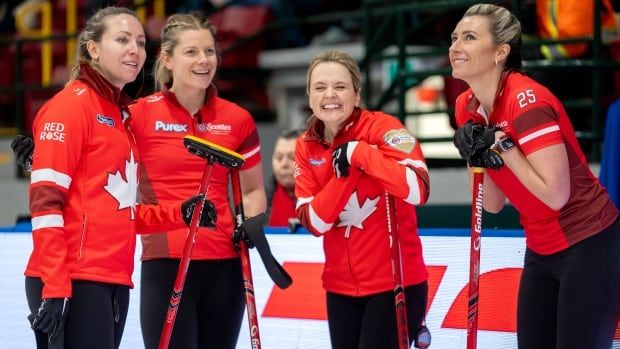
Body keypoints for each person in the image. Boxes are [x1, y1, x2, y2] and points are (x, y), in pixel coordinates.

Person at [22, 7, 216, 349]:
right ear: (93, 48)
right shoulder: (70, 106)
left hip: (110, 279)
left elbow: (118, 212)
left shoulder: (120, 115)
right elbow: (46, 203)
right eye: (122, 39)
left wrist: (178, 213)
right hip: (71, 278)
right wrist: (55, 287)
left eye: (140, 42)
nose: (135, 50)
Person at [450, 4, 620, 349]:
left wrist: (501, 144)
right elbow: (492, 204)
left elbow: (555, 195)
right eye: (454, 38)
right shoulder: (466, 106)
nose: (455, 46)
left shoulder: (527, 102)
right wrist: (474, 154)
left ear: (501, 52)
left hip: (588, 243)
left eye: (469, 37)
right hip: (541, 249)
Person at [129, 13, 266, 349]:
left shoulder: (238, 119)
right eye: (191, 52)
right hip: (166, 263)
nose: (204, 60)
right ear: (168, 59)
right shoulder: (138, 115)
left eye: (210, 51)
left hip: (225, 264)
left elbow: (252, 189)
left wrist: (249, 219)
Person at [294, 50, 431, 349]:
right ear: (309, 95)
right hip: (339, 288)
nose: (330, 94)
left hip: (396, 284)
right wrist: (347, 173)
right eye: (320, 87)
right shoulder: (305, 146)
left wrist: (360, 153)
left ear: (357, 94)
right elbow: (315, 221)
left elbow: (418, 189)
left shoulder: (383, 127)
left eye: (340, 86)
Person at [267, 128, 303, 230]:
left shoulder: (323, 198)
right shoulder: (261, 200)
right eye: (279, 157)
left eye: (292, 157)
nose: (284, 164)